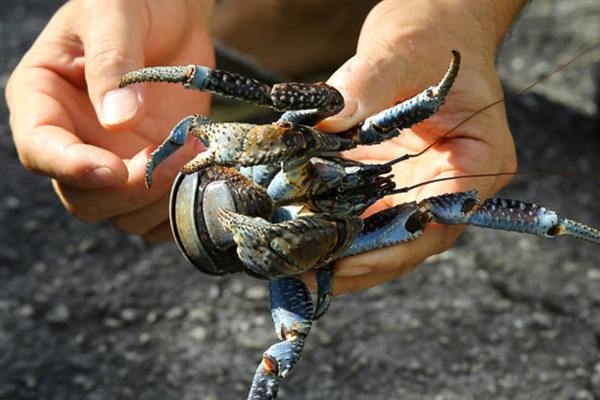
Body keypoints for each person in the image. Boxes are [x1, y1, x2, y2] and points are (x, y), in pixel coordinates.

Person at [6, 0, 525, 294]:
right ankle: (264, 58)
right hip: (233, 195)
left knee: (317, 128)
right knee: (308, 112)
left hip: (238, 210)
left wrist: (459, 15)